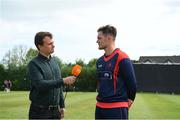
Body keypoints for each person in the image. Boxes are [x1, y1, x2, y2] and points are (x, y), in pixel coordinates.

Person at [27, 31, 76, 119]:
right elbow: (40, 85)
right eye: (50, 44)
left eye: (53, 43)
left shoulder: (55, 62)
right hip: (39, 112)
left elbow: (59, 87)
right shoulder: (33, 64)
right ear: (40, 46)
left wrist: (61, 106)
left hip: (55, 112)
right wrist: (63, 81)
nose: (53, 45)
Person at [95, 25, 137, 119]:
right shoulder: (99, 61)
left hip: (116, 109)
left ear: (109, 38)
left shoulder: (123, 58)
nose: (97, 41)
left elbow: (132, 85)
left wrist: (127, 102)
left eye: (99, 38)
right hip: (100, 108)